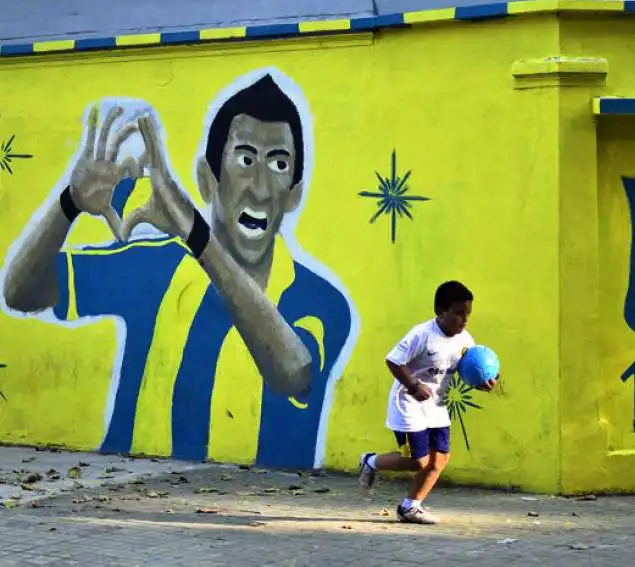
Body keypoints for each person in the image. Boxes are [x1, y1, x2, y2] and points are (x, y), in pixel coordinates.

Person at [0, 69, 354, 468]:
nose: (258, 187)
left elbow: (293, 372)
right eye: (244, 159)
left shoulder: (322, 302)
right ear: (207, 179)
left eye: (277, 164)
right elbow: (20, 292)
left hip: (259, 514)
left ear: (294, 194)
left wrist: (196, 234)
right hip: (133, 504)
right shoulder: (155, 267)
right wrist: (69, 204)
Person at [357, 280, 498, 525]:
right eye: (458, 313)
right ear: (440, 312)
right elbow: (393, 361)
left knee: (440, 460)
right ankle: (370, 461)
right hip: (408, 403)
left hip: (437, 405)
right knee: (418, 461)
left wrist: (487, 380)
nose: (464, 320)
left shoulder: (465, 340)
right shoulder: (421, 335)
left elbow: (473, 368)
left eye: (467, 314)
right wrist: (413, 385)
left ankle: (410, 507)